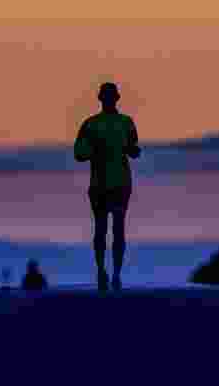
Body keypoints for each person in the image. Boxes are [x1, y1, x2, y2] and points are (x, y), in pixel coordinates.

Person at [74, 82, 141, 291]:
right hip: (109, 184)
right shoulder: (115, 123)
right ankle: (109, 273)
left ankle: (110, 273)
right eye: (108, 96)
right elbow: (80, 154)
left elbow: (80, 153)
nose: (110, 100)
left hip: (112, 184)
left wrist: (96, 150)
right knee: (110, 229)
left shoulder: (95, 124)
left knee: (107, 229)